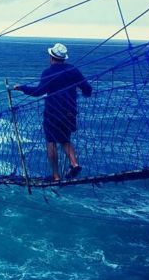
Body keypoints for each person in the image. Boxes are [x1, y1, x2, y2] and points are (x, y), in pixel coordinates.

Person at [15, 43, 92, 182]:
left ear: (51, 57)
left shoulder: (48, 72)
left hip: (53, 113)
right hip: (70, 112)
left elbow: (39, 92)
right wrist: (84, 93)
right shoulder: (73, 70)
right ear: (64, 58)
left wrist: (22, 88)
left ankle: (56, 176)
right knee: (65, 139)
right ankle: (74, 164)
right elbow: (87, 89)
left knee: (51, 142)